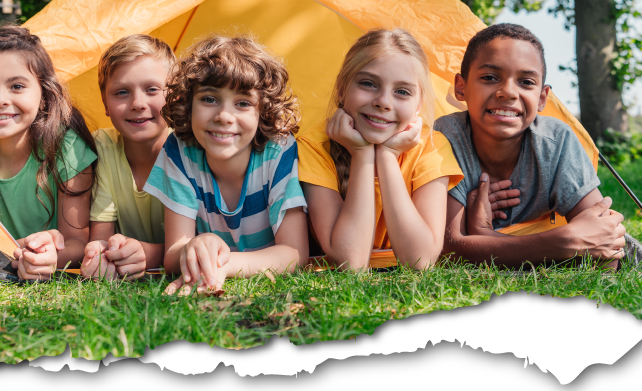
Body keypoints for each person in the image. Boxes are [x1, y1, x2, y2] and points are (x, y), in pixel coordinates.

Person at [435, 23, 642, 270]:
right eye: (489, 78)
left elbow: (605, 248)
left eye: (526, 82)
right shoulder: (447, 136)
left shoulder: (556, 142)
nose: (508, 92)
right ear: (461, 87)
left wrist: (483, 235)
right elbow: (447, 250)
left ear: (542, 98)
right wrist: (566, 243)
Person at [143, 35, 309, 295]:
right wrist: (193, 248)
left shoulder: (278, 150)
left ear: (263, 112)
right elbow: (173, 253)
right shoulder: (179, 150)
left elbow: (294, 253)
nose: (223, 117)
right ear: (188, 104)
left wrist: (222, 265)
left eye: (243, 103)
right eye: (209, 99)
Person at [298, 28, 465, 270]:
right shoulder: (313, 146)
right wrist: (362, 153)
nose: (383, 102)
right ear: (342, 89)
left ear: (418, 105)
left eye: (402, 92)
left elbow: (421, 261)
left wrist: (387, 156)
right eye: (368, 83)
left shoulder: (432, 146)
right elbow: (350, 262)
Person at [0, 25, 97, 280]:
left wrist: (48, 258)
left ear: (43, 95)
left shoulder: (67, 150)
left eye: (17, 86)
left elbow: (77, 243)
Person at [81, 35, 173, 280]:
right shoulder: (101, 147)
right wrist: (100, 253)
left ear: (174, 96)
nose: (137, 103)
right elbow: (101, 236)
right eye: (122, 92)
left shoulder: (190, 149)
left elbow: (196, 240)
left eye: (152, 89)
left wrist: (148, 254)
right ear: (105, 103)